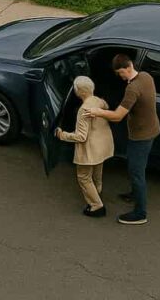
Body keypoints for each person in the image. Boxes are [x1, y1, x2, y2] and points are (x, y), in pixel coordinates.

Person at [87, 53, 160, 225]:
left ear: (128, 68)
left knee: (136, 172)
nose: (120, 76)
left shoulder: (132, 89)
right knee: (137, 167)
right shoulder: (145, 76)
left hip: (141, 136)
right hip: (153, 128)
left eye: (121, 73)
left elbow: (118, 116)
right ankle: (135, 193)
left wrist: (98, 112)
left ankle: (140, 213)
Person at [55, 75, 114, 218]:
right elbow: (107, 109)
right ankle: (97, 191)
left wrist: (62, 135)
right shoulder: (100, 101)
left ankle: (96, 205)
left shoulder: (83, 110)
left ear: (79, 92)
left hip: (90, 149)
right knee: (97, 171)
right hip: (104, 144)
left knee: (83, 177)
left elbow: (81, 136)